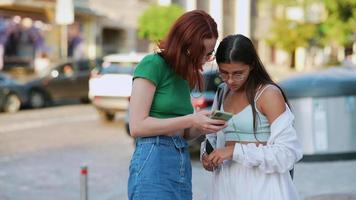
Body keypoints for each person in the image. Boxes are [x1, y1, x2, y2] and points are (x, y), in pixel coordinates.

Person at [127, 10, 227, 200]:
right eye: (203, 53)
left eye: (210, 53)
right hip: (153, 157)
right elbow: (137, 126)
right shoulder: (152, 64)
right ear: (186, 46)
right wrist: (190, 118)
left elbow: (184, 133)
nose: (207, 59)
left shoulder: (183, 76)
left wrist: (202, 125)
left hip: (180, 157)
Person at [201, 34, 303, 200]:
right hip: (225, 186)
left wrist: (234, 151)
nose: (231, 80)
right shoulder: (222, 92)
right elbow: (212, 138)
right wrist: (207, 156)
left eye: (238, 73)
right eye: (224, 73)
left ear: (252, 65)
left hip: (263, 186)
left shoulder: (268, 94)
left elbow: (288, 153)